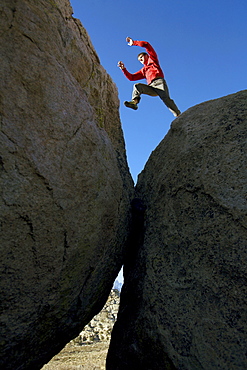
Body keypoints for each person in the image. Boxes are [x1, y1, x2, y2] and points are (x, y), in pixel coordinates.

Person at [118, 37, 181, 117]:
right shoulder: (143, 70)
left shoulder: (153, 61)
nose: (140, 60)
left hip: (159, 83)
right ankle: (134, 102)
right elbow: (132, 78)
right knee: (137, 86)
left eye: (141, 57)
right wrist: (124, 69)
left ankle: (178, 114)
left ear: (147, 56)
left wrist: (134, 42)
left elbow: (147, 45)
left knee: (165, 98)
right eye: (139, 60)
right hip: (151, 87)